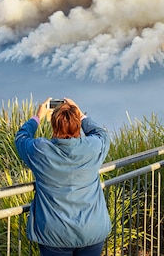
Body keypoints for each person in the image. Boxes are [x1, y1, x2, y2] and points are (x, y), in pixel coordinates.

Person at [15, 98, 111, 256]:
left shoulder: (40, 150)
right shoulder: (93, 147)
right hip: (92, 230)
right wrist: (81, 115)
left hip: (55, 233)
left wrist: (37, 116)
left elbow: (21, 138)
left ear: (53, 125)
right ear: (78, 125)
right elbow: (102, 134)